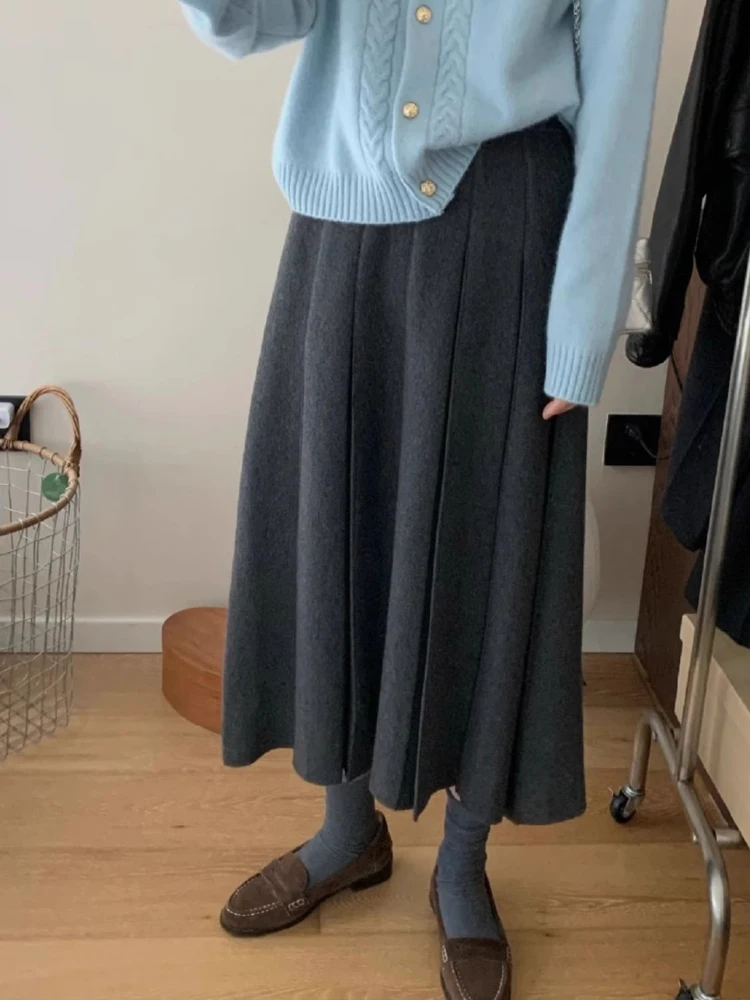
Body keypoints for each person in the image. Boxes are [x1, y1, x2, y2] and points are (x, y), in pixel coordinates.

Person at [179, 3, 667, 997]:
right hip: (341, 228)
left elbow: (619, 96)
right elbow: (251, 20)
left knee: (492, 554)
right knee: (334, 529)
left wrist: (585, 322)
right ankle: (347, 832)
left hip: (509, 234)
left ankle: (462, 862)